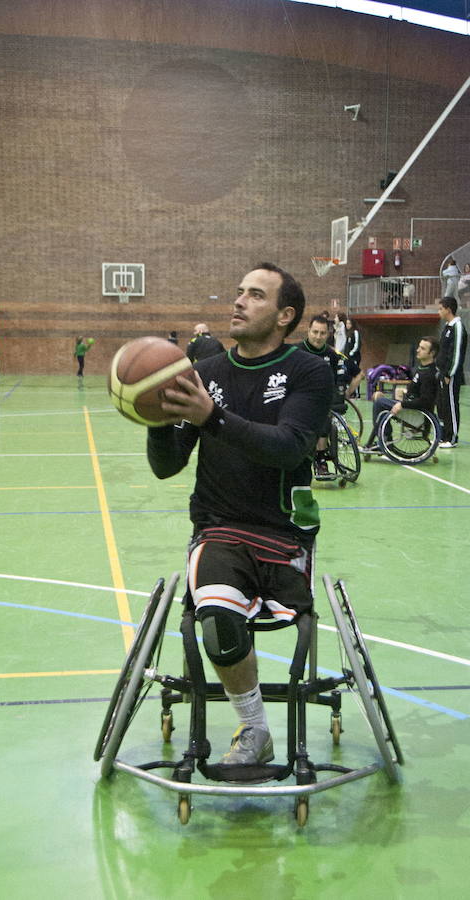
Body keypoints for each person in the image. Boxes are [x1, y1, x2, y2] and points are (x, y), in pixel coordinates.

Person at [146, 263, 333, 766]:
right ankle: (254, 729)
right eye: (238, 292)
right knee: (218, 617)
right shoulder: (204, 374)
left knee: (244, 610)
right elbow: (167, 467)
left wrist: (214, 417)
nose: (239, 301)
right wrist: (158, 423)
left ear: (283, 315)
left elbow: (290, 446)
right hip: (219, 530)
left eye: (255, 295)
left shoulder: (309, 371)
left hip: (284, 536)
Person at [298, 314, 358, 478]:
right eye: (315, 332)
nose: (318, 337)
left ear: (328, 334)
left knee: (324, 418)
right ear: (308, 331)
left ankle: (320, 458)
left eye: (322, 333)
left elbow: (352, 375)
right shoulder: (296, 352)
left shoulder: (333, 355)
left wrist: (343, 392)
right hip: (299, 404)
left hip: (323, 404)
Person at [361, 336, 439, 451]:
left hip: (416, 414)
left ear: (432, 353)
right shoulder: (422, 369)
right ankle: (380, 440)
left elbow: (425, 401)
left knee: (379, 403)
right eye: (419, 347)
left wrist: (402, 404)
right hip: (411, 407)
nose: (418, 350)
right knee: (379, 397)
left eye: (422, 348)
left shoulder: (429, 374)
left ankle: (386, 441)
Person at [436, 297, 468, 448]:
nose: (439, 312)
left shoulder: (458, 327)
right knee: (442, 405)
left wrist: (449, 373)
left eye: (440, 309)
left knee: (451, 405)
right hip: (442, 373)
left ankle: (452, 437)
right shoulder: (447, 327)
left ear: (448, 309)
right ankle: (443, 436)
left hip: (451, 375)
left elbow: (456, 354)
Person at [344, 316, 364, 397]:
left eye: (349, 323)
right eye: (346, 323)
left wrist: (351, 354)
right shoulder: (348, 333)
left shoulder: (355, 332)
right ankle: (352, 392)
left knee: (356, 374)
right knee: (349, 375)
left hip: (354, 358)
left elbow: (357, 345)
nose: (347, 325)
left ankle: (357, 393)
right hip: (347, 358)